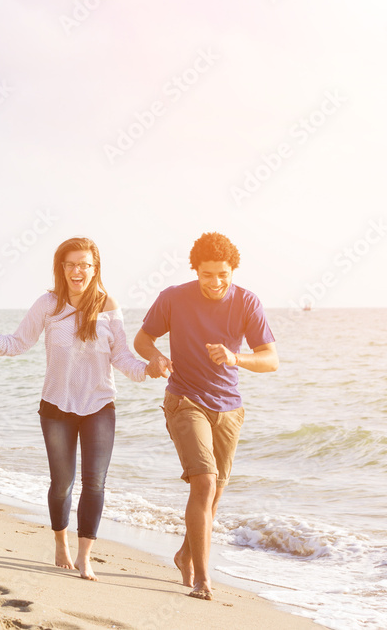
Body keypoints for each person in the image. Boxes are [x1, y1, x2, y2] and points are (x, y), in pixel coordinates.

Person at [0, 237, 158, 580]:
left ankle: (85, 556)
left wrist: (147, 368)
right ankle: (60, 543)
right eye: (71, 264)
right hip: (56, 406)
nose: (77, 270)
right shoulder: (48, 304)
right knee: (62, 483)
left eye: (84, 264)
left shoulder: (109, 305)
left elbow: (122, 356)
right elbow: (17, 343)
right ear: (61, 268)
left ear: (95, 268)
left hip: (99, 405)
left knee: (94, 482)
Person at [134, 232, 278, 601]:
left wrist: (235, 358)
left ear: (233, 270)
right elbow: (142, 338)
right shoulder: (173, 297)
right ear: (195, 270)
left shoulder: (247, 302)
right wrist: (157, 357)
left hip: (229, 408)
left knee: (214, 493)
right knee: (204, 482)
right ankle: (202, 578)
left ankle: (185, 555)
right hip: (185, 400)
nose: (215, 282)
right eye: (207, 274)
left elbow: (270, 359)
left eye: (223, 274)